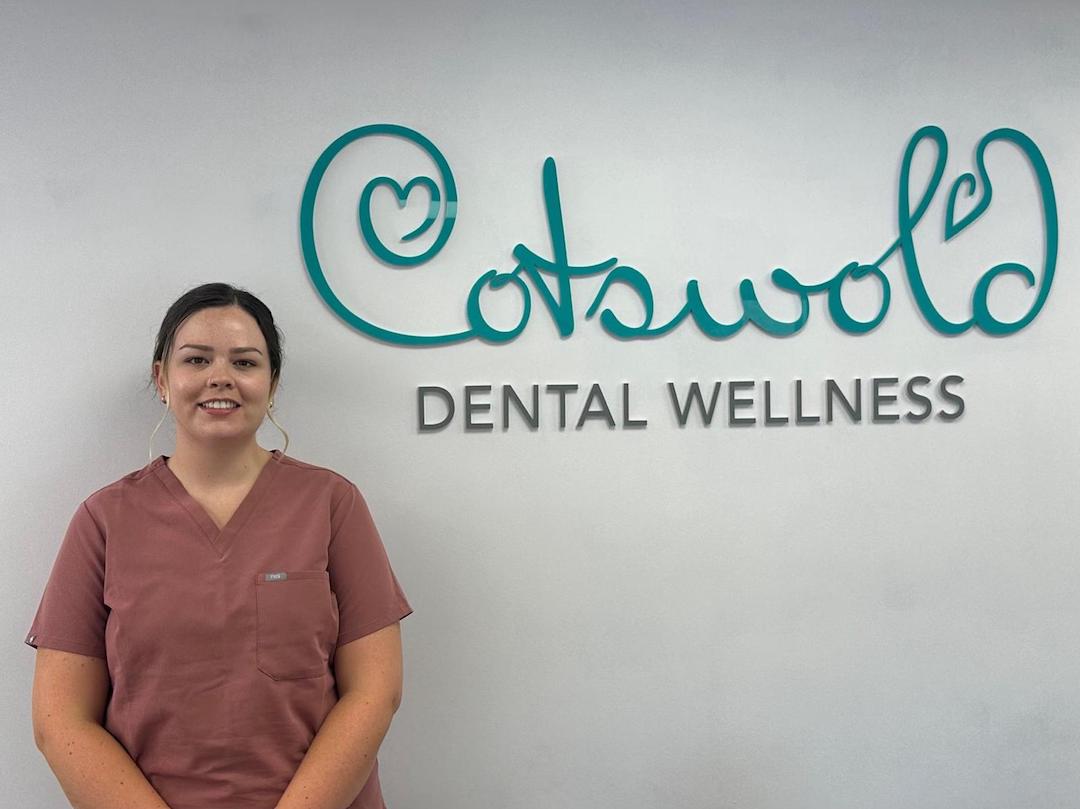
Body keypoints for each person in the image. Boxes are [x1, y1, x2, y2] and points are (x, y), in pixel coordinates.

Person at [26, 282, 413, 809]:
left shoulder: (332, 504)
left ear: (272, 384)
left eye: (245, 362)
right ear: (162, 379)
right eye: (196, 359)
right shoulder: (103, 521)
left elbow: (375, 692)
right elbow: (59, 720)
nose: (220, 376)